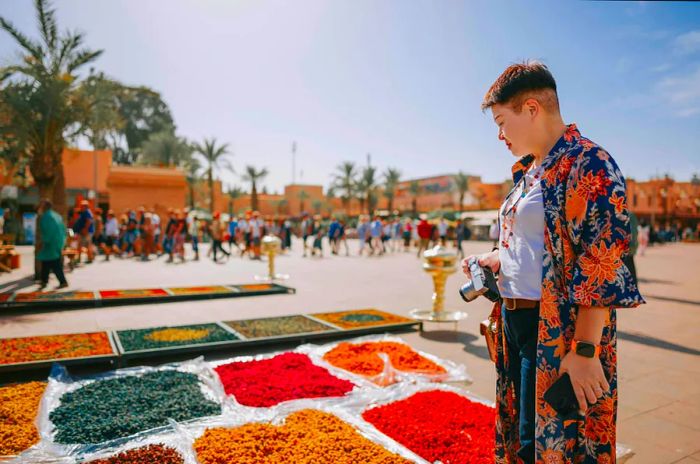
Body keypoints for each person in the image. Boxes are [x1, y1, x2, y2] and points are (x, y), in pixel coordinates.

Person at [465, 61, 644, 463]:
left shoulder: (588, 163)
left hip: (559, 331)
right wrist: (496, 257)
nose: (499, 135)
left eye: (501, 121)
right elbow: (538, 243)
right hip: (517, 322)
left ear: (532, 108)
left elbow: (602, 260)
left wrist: (584, 351)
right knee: (521, 436)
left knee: (549, 446)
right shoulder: (531, 170)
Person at [36, 199, 68, 289]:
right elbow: (62, 229)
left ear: (44, 207)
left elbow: (49, 231)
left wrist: (43, 242)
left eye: (41, 205)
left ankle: (62, 281)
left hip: (50, 243)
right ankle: (44, 281)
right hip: (56, 242)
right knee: (46, 262)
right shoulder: (56, 215)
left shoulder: (47, 217)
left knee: (54, 263)